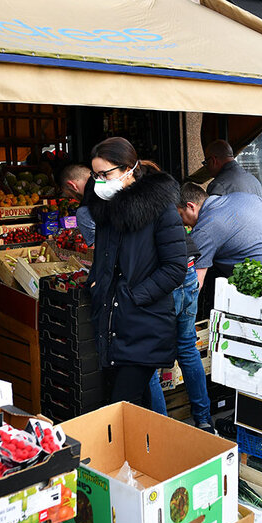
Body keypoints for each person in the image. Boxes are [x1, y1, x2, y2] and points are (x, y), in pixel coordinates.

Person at [87, 137, 187, 406]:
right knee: (135, 408)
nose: (99, 181)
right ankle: (150, 447)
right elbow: (103, 261)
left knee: (122, 404)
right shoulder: (106, 211)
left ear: (128, 168)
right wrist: (95, 284)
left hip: (145, 324)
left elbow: (175, 268)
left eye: (105, 174)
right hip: (113, 324)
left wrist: (133, 296)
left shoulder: (161, 209)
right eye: (95, 175)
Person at [143, 230, 215, 432]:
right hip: (187, 269)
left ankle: (164, 431)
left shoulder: (128, 205)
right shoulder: (163, 202)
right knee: (187, 347)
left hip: (162, 277)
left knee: (147, 357)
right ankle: (205, 421)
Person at [177, 183, 262, 286]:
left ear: (191, 206)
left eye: (181, 216)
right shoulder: (247, 197)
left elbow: (195, 284)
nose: (183, 224)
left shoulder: (204, 229)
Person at [203, 139, 262, 230]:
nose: (206, 168)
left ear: (213, 160)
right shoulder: (253, 180)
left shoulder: (218, 185)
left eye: (205, 163)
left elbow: (213, 227)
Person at [57, 164, 96, 246]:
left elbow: (96, 249)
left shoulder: (84, 211)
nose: (75, 199)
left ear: (72, 185)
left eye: (71, 195)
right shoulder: (116, 183)